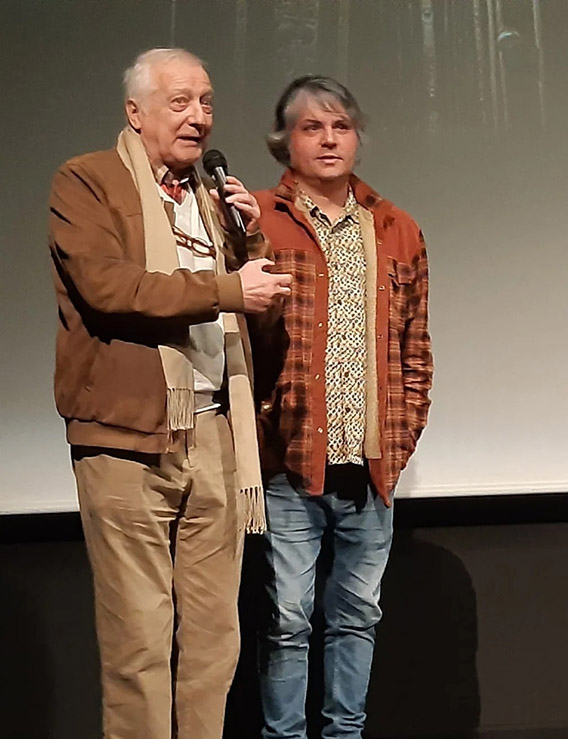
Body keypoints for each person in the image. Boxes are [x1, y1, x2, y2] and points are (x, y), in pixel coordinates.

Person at [48, 48, 292, 739]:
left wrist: (247, 248)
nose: (199, 116)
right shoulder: (88, 181)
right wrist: (227, 288)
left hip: (216, 433)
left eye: (207, 101)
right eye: (180, 101)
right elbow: (110, 287)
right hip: (127, 441)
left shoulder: (213, 199)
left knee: (216, 643)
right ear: (136, 112)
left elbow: (254, 318)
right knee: (139, 643)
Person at [249, 75, 433, 739]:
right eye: (311, 127)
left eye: (340, 127)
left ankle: (344, 734)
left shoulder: (396, 227)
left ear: (357, 137)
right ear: (286, 141)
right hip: (291, 470)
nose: (328, 140)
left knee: (357, 615)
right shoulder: (260, 222)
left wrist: (401, 437)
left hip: (371, 469)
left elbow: (416, 350)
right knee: (288, 619)